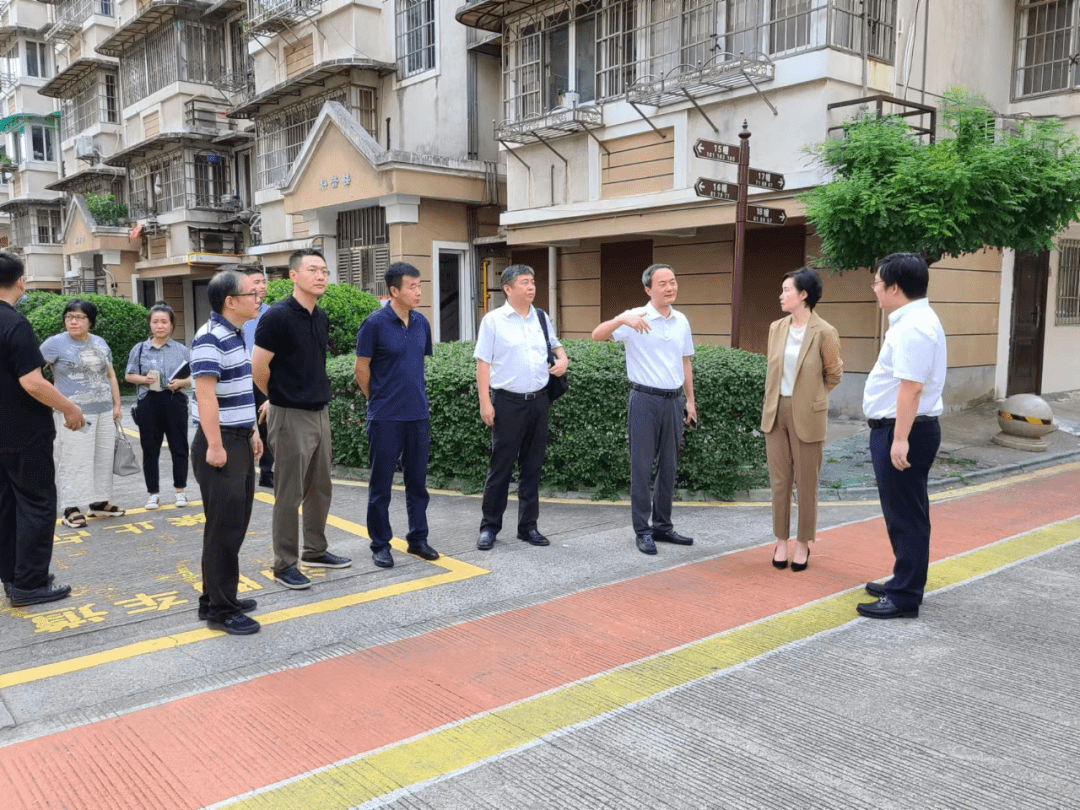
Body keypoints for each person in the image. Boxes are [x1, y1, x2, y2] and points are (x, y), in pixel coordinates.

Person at [252, 248, 351, 590]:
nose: (321, 276)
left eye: (324, 269)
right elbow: (258, 368)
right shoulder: (276, 317)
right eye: (312, 270)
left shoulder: (320, 317)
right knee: (289, 492)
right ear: (293, 275)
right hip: (290, 414)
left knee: (320, 487)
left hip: (319, 411)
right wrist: (276, 400)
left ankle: (315, 549)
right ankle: (284, 563)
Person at [858, 252, 946, 620]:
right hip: (904, 427)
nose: (875, 289)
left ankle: (905, 595)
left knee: (905, 514)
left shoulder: (913, 327)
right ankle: (904, 579)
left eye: (877, 282)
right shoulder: (916, 319)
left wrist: (899, 439)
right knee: (909, 511)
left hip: (903, 428)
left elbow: (910, 388)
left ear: (895, 288)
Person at [591, 264, 696, 555]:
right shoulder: (634, 318)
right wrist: (622, 318)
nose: (670, 287)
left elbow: (685, 361)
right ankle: (642, 530)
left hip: (674, 401)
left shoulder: (681, 320)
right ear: (649, 289)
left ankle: (663, 526)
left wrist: (690, 401)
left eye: (673, 282)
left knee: (669, 466)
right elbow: (596, 335)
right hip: (644, 400)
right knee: (641, 466)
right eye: (662, 283)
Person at [0, 251, 82, 606]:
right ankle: (29, 584)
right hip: (23, 434)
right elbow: (32, 382)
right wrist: (69, 407)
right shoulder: (14, 324)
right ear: (21, 281)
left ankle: (13, 576)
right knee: (36, 504)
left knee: (6, 506)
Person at [474, 264, 568, 551]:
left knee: (533, 466)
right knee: (500, 467)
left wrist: (563, 359)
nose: (531, 287)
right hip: (508, 402)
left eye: (533, 281)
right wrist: (485, 403)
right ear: (508, 288)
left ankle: (528, 527)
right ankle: (490, 527)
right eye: (525, 282)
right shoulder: (493, 320)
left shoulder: (540, 317)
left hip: (539, 401)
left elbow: (556, 347)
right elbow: (483, 363)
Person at [190, 270, 264, 635]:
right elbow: (205, 396)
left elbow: (238, 392)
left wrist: (250, 431)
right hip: (219, 444)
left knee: (230, 526)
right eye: (251, 293)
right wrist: (216, 445)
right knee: (224, 528)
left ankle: (214, 598)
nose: (258, 296)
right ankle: (222, 609)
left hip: (237, 439)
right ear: (230, 301)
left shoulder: (235, 335)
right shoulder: (209, 338)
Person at [354, 262, 440, 569]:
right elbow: (360, 368)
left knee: (418, 483)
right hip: (385, 417)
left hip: (418, 415)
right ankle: (380, 543)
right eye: (412, 287)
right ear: (394, 291)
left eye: (419, 286)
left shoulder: (421, 323)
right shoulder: (374, 324)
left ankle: (418, 538)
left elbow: (417, 365)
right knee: (381, 486)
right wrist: (376, 400)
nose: (418, 292)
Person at [760, 268, 843, 572]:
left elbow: (834, 373)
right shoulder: (776, 328)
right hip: (775, 411)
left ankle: (803, 543)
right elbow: (773, 371)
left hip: (807, 413)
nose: (781, 296)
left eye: (787, 290)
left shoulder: (825, 332)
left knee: (806, 483)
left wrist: (812, 396)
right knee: (780, 481)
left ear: (804, 295)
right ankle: (781, 541)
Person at [40, 299, 125, 528]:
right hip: (74, 414)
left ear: (91, 321)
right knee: (74, 459)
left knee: (102, 458)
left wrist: (116, 405)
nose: (73, 321)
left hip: (104, 411)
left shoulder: (99, 342)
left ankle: (99, 503)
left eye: (79, 317)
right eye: (69, 317)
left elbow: (110, 375)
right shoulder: (54, 344)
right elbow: (35, 374)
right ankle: (71, 507)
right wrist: (52, 402)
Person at [125, 302, 191, 510]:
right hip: (149, 402)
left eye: (164, 322)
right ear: (150, 325)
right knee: (150, 449)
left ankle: (180, 490)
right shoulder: (140, 349)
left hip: (175, 400)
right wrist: (144, 379)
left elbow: (195, 376)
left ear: (172, 325)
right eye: (155, 322)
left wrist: (181, 383)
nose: (160, 326)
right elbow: (128, 375)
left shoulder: (181, 349)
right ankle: (153, 493)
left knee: (179, 446)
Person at [241, 267, 274, 489]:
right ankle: (243, 468)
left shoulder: (273, 313)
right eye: (256, 282)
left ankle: (267, 471)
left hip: (264, 374)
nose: (262, 286)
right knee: (244, 423)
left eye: (263, 281)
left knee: (266, 423)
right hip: (242, 376)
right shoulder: (238, 313)